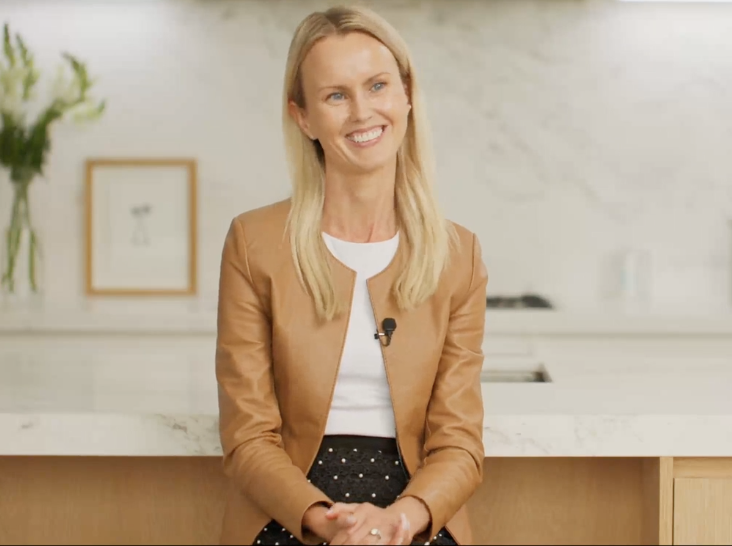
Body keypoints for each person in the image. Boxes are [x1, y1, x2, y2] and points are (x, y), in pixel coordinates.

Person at [215, 5, 488, 546]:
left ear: (407, 94)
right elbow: (248, 436)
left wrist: (399, 519)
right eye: (335, 96)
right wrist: (326, 520)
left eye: (378, 85)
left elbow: (459, 443)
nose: (362, 112)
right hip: (291, 508)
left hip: (415, 510)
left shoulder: (459, 254)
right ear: (303, 117)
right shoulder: (253, 243)